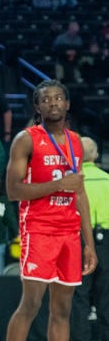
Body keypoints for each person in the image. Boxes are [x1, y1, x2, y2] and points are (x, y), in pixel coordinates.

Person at [5, 80, 97, 341]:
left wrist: (88, 244)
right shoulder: (26, 139)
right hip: (39, 228)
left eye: (58, 98)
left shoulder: (76, 141)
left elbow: (79, 193)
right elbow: (13, 191)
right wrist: (58, 184)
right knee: (31, 305)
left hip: (69, 232)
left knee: (63, 310)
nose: (53, 102)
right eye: (45, 99)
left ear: (67, 104)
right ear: (37, 107)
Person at [71, 136, 109, 341]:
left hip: (80, 242)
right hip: (107, 244)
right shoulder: (107, 180)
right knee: (106, 299)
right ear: (95, 155)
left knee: (79, 299)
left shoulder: (72, 183)